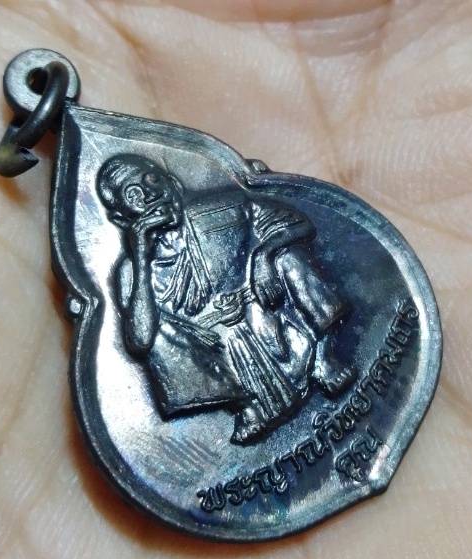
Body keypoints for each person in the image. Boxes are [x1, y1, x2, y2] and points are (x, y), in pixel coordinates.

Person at [97, 154, 355, 443]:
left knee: (287, 255)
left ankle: (323, 358)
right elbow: (140, 341)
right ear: (122, 219)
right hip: (212, 349)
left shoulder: (224, 209)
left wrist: (264, 254)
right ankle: (245, 407)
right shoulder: (130, 271)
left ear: (173, 184)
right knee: (153, 330)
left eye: (152, 180)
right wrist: (141, 256)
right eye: (134, 194)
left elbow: (299, 224)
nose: (149, 195)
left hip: (265, 312)